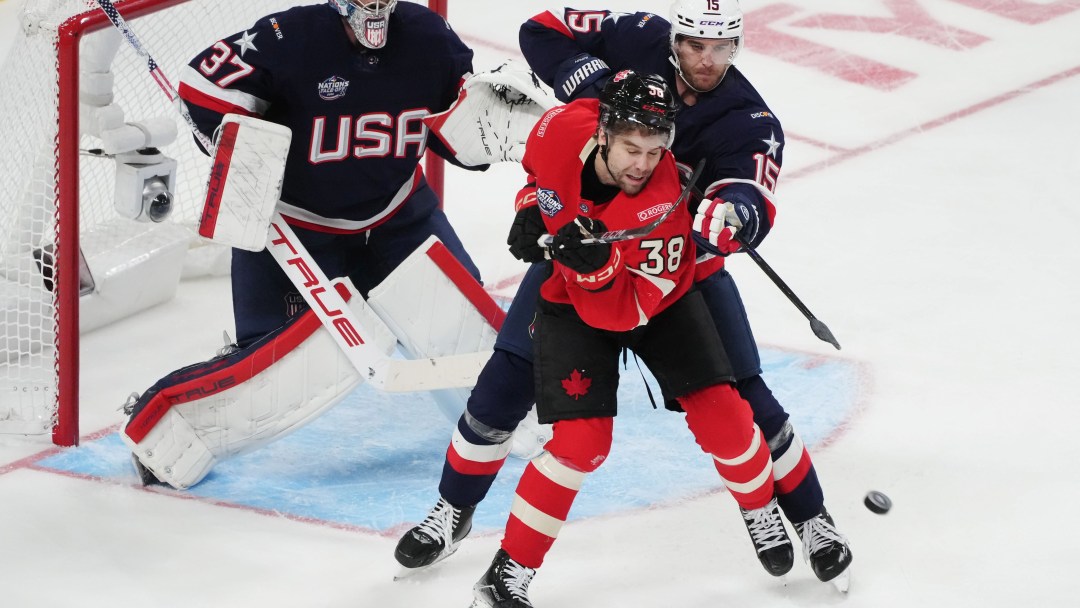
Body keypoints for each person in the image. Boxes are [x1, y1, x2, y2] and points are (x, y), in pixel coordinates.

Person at [395, 0, 851, 590]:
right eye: (694, 46)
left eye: (721, 49)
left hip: (677, 271)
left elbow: (751, 195)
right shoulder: (635, 38)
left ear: (737, 45)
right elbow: (544, 32)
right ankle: (453, 509)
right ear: (675, 38)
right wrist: (599, 88)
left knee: (742, 400)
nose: (707, 61)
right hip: (584, 252)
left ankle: (809, 518)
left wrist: (733, 212)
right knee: (502, 385)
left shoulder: (749, 121)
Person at [118, 0, 486, 488]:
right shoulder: (286, 36)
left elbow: (467, 125)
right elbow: (202, 88)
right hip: (296, 227)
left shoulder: (429, 36)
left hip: (399, 217)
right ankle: (162, 423)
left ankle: (504, 417)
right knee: (277, 368)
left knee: (469, 328)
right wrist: (232, 137)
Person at [470, 70, 782, 608]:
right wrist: (528, 205)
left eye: (655, 148)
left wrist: (598, 270)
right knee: (580, 445)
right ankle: (505, 576)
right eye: (632, 147)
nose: (643, 163)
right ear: (602, 132)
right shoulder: (557, 128)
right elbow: (538, 169)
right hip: (571, 299)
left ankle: (760, 508)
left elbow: (625, 313)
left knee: (727, 421)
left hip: (656, 298)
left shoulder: (660, 204)